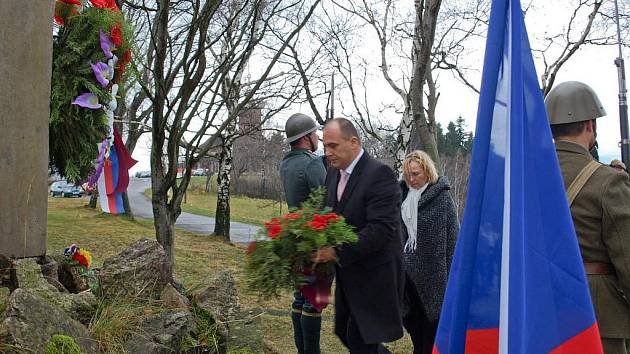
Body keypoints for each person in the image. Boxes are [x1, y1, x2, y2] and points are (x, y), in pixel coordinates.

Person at [545, 81, 630, 354]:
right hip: (597, 321)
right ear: (590, 125)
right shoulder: (610, 181)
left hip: (540, 312)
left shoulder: (524, 179)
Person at [313, 117, 404, 353]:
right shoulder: (333, 174)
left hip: (375, 276)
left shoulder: (379, 174)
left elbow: (381, 230)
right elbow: (328, 216)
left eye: (333, 146)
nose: (328, 152)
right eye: (325, 145)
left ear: (354, 142)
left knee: (361, 339)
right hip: (349, 275)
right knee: (345, 332)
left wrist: (336, 250)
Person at [399, 150, 458, 354]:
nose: (412, 179)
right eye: (408, 175)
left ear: (427, 171)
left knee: (431, 337)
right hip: (407, 280)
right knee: (416, 332)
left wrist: (452, 280)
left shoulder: (442, 198)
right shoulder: (401, 198)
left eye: (416, 174)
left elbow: (452, 240)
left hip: (434, 278)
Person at [280, 113, 327, 354]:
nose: (318, 136)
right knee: (314, 302)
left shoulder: (286, 163)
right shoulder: (312, 163)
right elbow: (325, 201)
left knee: (300, 299)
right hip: (315, 240)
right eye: (315, 133)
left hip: (295, 240)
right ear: (307, 137)